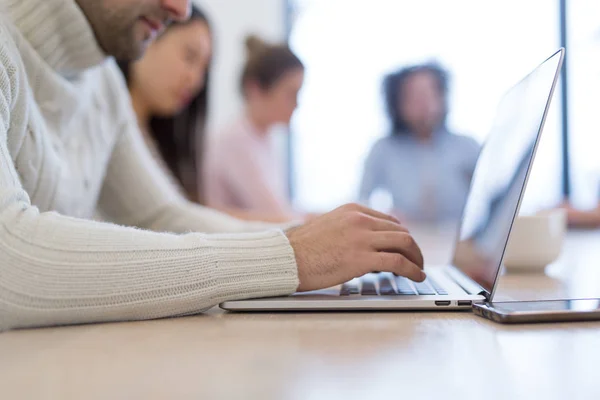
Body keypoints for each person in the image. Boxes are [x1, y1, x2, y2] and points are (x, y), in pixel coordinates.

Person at [0, 0, 424, 332]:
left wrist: (317, 244)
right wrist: (289, 255)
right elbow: (9, 264)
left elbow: (162, 216)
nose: (180, 9)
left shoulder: (104, 81)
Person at [118, 6, 285, 222]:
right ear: (149, 35)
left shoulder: (158, 140)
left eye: (204, 69)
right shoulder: (112, 127)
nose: (195, 80)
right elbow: (170, 222)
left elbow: (181, 215)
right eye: (189, 56)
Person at [359, 63, 480, 224]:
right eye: (414, 96)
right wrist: (383, 215)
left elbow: (488, 201)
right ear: (397, 102)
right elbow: (362, 200)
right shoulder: (383, 150)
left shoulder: (467, 147)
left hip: (457, 240)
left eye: (430, 93)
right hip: (404, 238)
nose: (424, 103)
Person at [203, 35, 305, 221]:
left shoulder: (262, 138)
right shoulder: (234, 141)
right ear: (255, 89)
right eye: (291, 93)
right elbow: (277, 217)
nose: (297, 104)